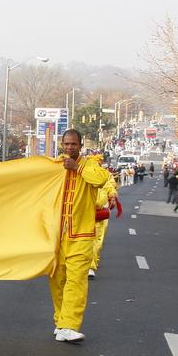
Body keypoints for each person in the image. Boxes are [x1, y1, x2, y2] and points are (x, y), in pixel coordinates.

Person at [49, 129, 113, 343]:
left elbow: (102, 180)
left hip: (81, 235)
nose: (69, 148)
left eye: (74, 144)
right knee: (58, 281)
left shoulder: (90, 166)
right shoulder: (53, 166)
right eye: (66, 144)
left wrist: (76, 168)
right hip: (57, 235)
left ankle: (69, 325)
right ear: (61, 144)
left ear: (80, 145)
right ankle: (61, 322)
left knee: (76, 281)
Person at [89, 172, 119, 279]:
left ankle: (91, 266)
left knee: (97, 240)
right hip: (84, 214)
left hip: (100, 215)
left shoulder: (104, 176)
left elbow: (111, 188)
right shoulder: (83, 175)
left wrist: (112, 197)